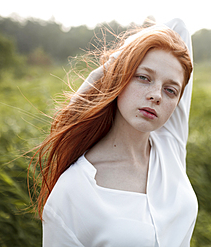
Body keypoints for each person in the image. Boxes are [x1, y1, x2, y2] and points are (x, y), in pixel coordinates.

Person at [31, 18, 198, 246]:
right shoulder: (74, 189)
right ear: (120, 77)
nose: (156, 95)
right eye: (143, 77)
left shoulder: (170, 145)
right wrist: (115, 64)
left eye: (170, 90)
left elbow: (180, 27)